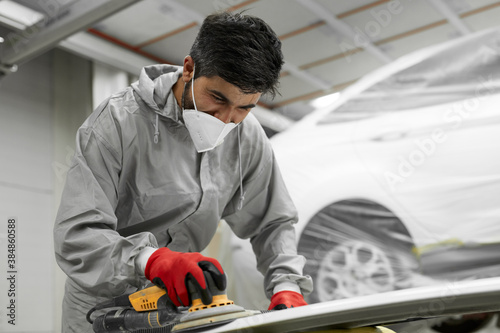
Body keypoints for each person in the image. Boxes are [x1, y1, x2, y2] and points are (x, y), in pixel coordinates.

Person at [54, 11, 313, 332]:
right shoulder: (118, 122)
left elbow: (272, 223)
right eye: (217, 98)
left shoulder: (247, 136)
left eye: (245, 107)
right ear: (189, 68)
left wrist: (287, 285)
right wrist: (153, 260)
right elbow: (77, 236)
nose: (227, 118)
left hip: (184, 305)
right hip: (105, 308)